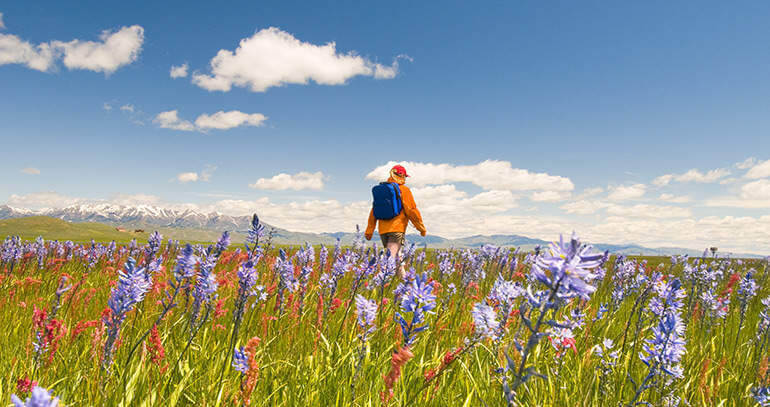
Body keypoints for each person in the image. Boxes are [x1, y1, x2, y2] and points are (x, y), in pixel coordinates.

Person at [365, 164, 427, 278]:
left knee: (396, 257)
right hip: (396, 230)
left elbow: (373, 211)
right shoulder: (404, 190)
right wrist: (421, 228)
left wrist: (369, 231)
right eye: (404, 177)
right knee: (389, 260)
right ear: (402, 176)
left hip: (383, 231)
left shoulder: (383, 191)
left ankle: (404, 285)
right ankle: (377, 286)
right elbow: (412, 211)